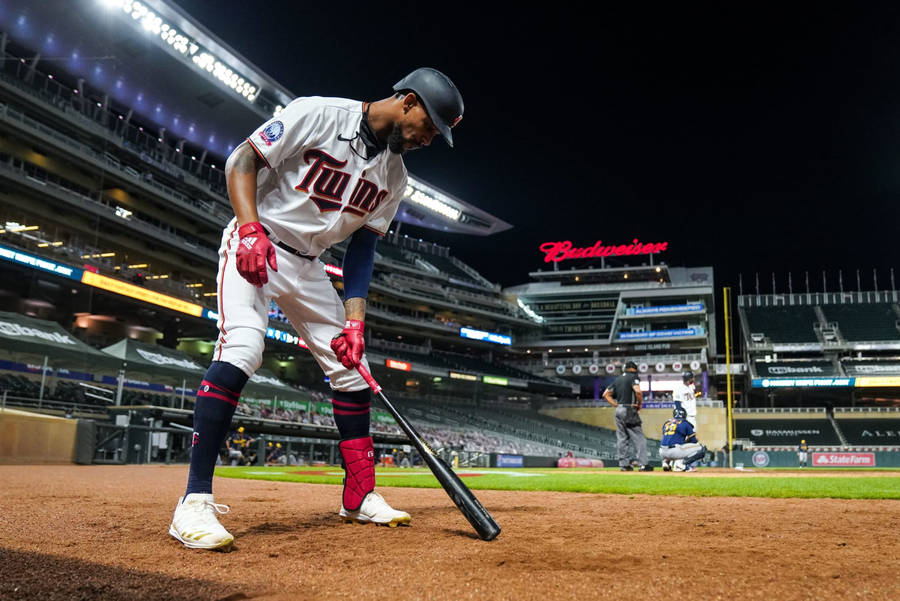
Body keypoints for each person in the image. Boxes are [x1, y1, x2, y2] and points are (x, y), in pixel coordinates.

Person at [169, 67, 464, 550]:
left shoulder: (396, 175)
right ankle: (193, 503)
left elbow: (362, 251)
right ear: (408, 102)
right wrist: (248, 229)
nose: (430, 139)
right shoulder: (319, 113)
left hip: (310, 267)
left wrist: (355, 321)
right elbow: (242, 160)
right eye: (430, 126)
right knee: (244, 347)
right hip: (258, 242)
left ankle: (359, 495)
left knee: (353, 372)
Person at [602, 361, 653, 471]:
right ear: (632, 369)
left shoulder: (618, 379)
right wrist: (639, 405)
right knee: (639, 437)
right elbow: (638, 392)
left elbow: (605, 394)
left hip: (619, 410)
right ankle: (643, 464)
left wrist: (616, 405)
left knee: (622, 438)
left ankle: (624, 465)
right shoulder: (633, 377)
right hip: (629, 409)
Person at [659, 407, 707, 472]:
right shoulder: (685, 423)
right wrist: (689, 440)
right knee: (702, 448)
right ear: (684, 415)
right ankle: (682, 464)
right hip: (674, 451)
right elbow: (694, 441)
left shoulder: (667, 423)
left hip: (662, 451)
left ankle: (665, 463)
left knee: (675, 445)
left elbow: (669, 438)